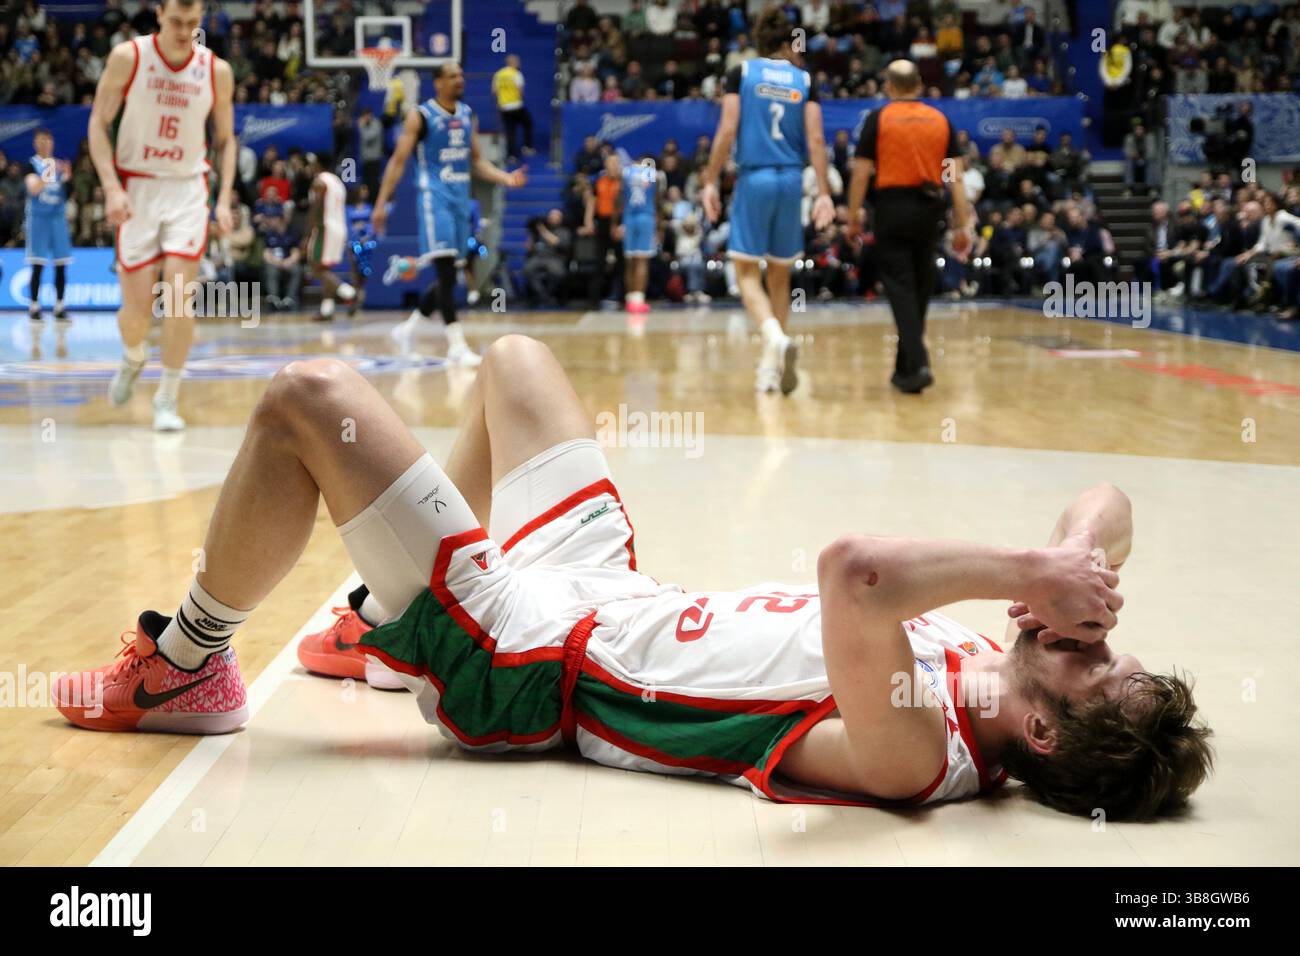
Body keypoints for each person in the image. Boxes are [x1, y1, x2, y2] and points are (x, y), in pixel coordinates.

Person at [53, 334, 1212, 821]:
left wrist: (1024, 568)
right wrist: (1071, 566)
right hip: (603, 588)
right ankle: (385, 621)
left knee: (308, 394)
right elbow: (1104, 506)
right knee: (514, 364)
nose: (1092, 637)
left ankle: (187, 666)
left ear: (1045, 737)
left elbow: (851, 572)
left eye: (1093, 659)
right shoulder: (1017, 662)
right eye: (1101, 635)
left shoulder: (923, 755)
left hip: (527, 662)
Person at [90, 0, 236, 432]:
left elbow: (226, 141)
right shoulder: (128, 58)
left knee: (177, 298)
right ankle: (133, 355)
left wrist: (224, 198)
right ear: (159, 14)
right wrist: (112, 187)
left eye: (193, 24)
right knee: (135, 315)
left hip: (189, 188)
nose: (184, 31)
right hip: (137, 186)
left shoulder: (216, 71)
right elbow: (98, 123)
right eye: (176, 21)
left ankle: (167, 397)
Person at [700, 7, 834, 395]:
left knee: (745, 273)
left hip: (755, 177)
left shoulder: (741, 72)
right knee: (780, 275)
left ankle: (774, 340)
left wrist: (710, 180)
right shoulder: (805, 79)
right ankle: (770, 369)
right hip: (791, 180)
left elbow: (727, 130)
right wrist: (824, 191)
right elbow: (817, 141)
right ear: (788, 43)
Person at [373, 62, 526, 365]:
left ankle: (410, 328)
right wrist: (381, 203)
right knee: (445, 270)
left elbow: (477, 162)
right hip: (434, 198)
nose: (460, 79)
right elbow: (398, 161)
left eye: (461, 74)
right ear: (438, 82)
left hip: (460, 200)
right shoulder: (421, 116)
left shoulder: (469, 114)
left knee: (451, 275)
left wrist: (506, 178)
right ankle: (456, 344)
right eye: (453, 76)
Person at [847, 59, 974, 394]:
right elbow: (954, 177)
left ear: (888, 86)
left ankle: (917, 362)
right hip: (930, 209)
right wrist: (963, 224)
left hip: (892, 207)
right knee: (919, 287)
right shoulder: (939, 119)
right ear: (918, 85)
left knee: (901, 287)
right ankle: (905, 370)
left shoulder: (879, 118)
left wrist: (852, 216)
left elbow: (861, 173)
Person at [24, 128, 74, 352]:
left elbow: (67, 192)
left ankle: (59, 306)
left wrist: (69, 178)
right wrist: (49, 173)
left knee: (62, 263)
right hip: (39, 219)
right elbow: (33, 189)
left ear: (52, 143)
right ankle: (34, 306)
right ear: (36, 144)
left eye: (48, 140)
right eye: (41, 140)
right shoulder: (31, 164)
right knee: (37, 263)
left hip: (57, 218)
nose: (45, 144)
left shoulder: (60, 166)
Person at [303, 154, 357, 322]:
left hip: (324, 228)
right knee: (325, 269)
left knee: (315, 268)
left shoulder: (319, 181)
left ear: (317, 164)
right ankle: (327, 310)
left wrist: (307, 232)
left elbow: (316, 207)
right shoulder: (337, 181)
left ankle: (349, 293)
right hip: (339, 227)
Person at [616, 156, 662, 313]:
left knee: (630, 262)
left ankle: (630, 300)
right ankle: (639, 300)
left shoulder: (626, 172)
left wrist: (615, 223)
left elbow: (619, 199)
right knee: (642, 261)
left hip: (629, 218)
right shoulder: (651, 172)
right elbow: (657, 200)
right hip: (646, 218)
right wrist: (660, 226)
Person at [492, 56, 534, 163]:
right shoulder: (516, 74)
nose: (519, 63)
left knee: (510, 132)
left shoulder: (498, 74)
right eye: (517, 61)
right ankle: (527, 147)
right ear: (512, 62)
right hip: (516, 106)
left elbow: (494, 91)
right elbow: (521, 91)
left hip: (504, 107)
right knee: (528, 123)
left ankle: (511, 156)